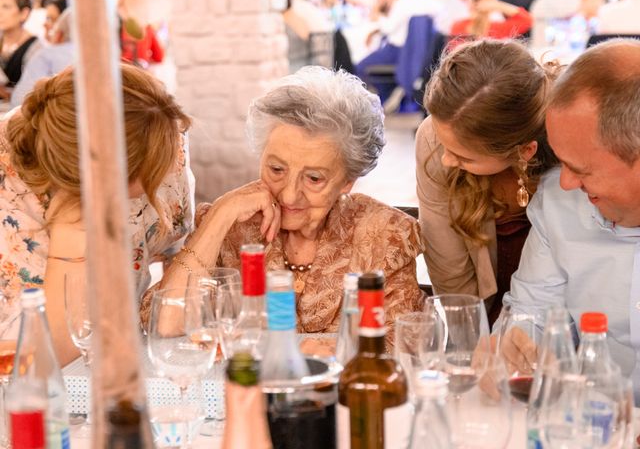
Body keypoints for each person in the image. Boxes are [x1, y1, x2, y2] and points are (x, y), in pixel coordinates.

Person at [141, 66, 425, 338]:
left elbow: (396, 348)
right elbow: (165, 324)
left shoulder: (385, 237)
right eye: (276, 170)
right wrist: (220, 216)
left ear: (347, 180)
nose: (288, 195)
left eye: (314, 178)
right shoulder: (228, 228)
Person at [0, 64, 194, 365]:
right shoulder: (12, 199)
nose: (170, 168)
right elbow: (41, 362)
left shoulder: (157, 129)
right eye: (153, 168)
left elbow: (174, 250)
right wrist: (73, 228)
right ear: (102, 178)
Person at [502, 39, 640, 396]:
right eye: (561, 161)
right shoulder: (559, 203)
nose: (565, 182)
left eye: (580, 168)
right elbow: (530, 309)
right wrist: (515, 343)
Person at [416, 39, 559, 323]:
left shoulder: (571, 152)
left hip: (558, 313)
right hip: (481, 309)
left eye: (464, 157)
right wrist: (468, 341)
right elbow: (450, 271)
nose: (445, 160)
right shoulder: (435, 138)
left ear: (524, 151)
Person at [356, 0, 442, 86]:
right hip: (418, 56)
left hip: (395, 51)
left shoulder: (402, 2)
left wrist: (378, 16)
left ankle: (379, 97)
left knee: (359, 67)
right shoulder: (433, 4)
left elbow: (388, 28)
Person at [10, 8, 74, 108]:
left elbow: (20, 102)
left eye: (50, 19)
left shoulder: (47, 54)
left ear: (58, 35)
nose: (45, 24)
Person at [450, 0, 533, 41]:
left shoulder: (457, 26)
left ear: (469, 1)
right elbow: (528, 20)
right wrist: (498, 5)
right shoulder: (495, 29)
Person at [0, 0, 42, 100]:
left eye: (6, 7)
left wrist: (5, 92)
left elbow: (34, 91)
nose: (0, 12)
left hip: (21, 113)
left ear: (24, 13)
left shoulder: (37, 47)